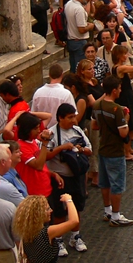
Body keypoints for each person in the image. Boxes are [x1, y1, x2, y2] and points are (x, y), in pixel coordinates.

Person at [45, 103, 91, 254]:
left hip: (76, 176)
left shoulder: (77, 131)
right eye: (70, 117)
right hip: (59, 178)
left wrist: (80, 149)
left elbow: (89, 150)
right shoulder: (51, 134)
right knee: (59, 211)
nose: (73, 120)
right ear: (60, 118)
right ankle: (58, 240)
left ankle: (75, 237)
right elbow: (45, 156)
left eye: (74, 117)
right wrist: (61, 148)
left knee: (76, 206)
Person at [94, 75, 133, 226]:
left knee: (105, 183)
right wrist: (127, 118)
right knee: (117, 184)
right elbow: (123, 133)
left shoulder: (97, 106)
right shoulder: (117, 110)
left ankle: (107, 211)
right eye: (119, 88)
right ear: (114, 91)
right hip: (115, 151)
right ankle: (116, 216)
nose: (120, 90)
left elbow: (94, 126)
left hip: (102, 148)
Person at [12, 194, 80, 263]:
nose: (51, 210)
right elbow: (74, 221)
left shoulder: (25, 235)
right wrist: (69, 200)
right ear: (38, 214)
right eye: (47, 209)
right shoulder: (46, 233)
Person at [31, 64, 76, 129]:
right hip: (60, 132)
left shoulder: (38, 92)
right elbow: (73, 115)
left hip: (42, 130)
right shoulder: (66, 94)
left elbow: (33, 114)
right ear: (62, 75)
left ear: (49, 75)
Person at [63, 0, 94, 72]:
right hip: (79, 42)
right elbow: (81, 30)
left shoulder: (68, 4)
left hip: (71, 41)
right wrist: (90, 26)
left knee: (73, 68)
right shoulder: (79, 9)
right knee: (81, 69)